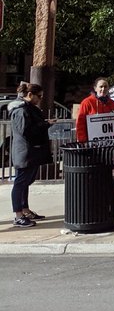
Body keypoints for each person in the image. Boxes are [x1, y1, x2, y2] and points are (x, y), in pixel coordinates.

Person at [9, 82, 50, 228]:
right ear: (30, 95)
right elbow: (25, 130)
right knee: (20, 183)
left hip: (29, 151)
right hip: (24, 151)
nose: (40, 99)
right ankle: (18, 215)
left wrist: (44, 124)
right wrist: (44, 125)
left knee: (25, 182)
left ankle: (25, 210)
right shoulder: (21, 110)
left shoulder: (29, 109)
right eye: (39, 96)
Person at [75, 76, 114, 142]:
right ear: (95, 88)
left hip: (110, 143)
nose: (103, 89)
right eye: (101, 87)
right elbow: (80, 123)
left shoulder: (112, 103)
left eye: (105, 86)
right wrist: (82, 140)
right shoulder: (87, 102)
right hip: (92, 143)